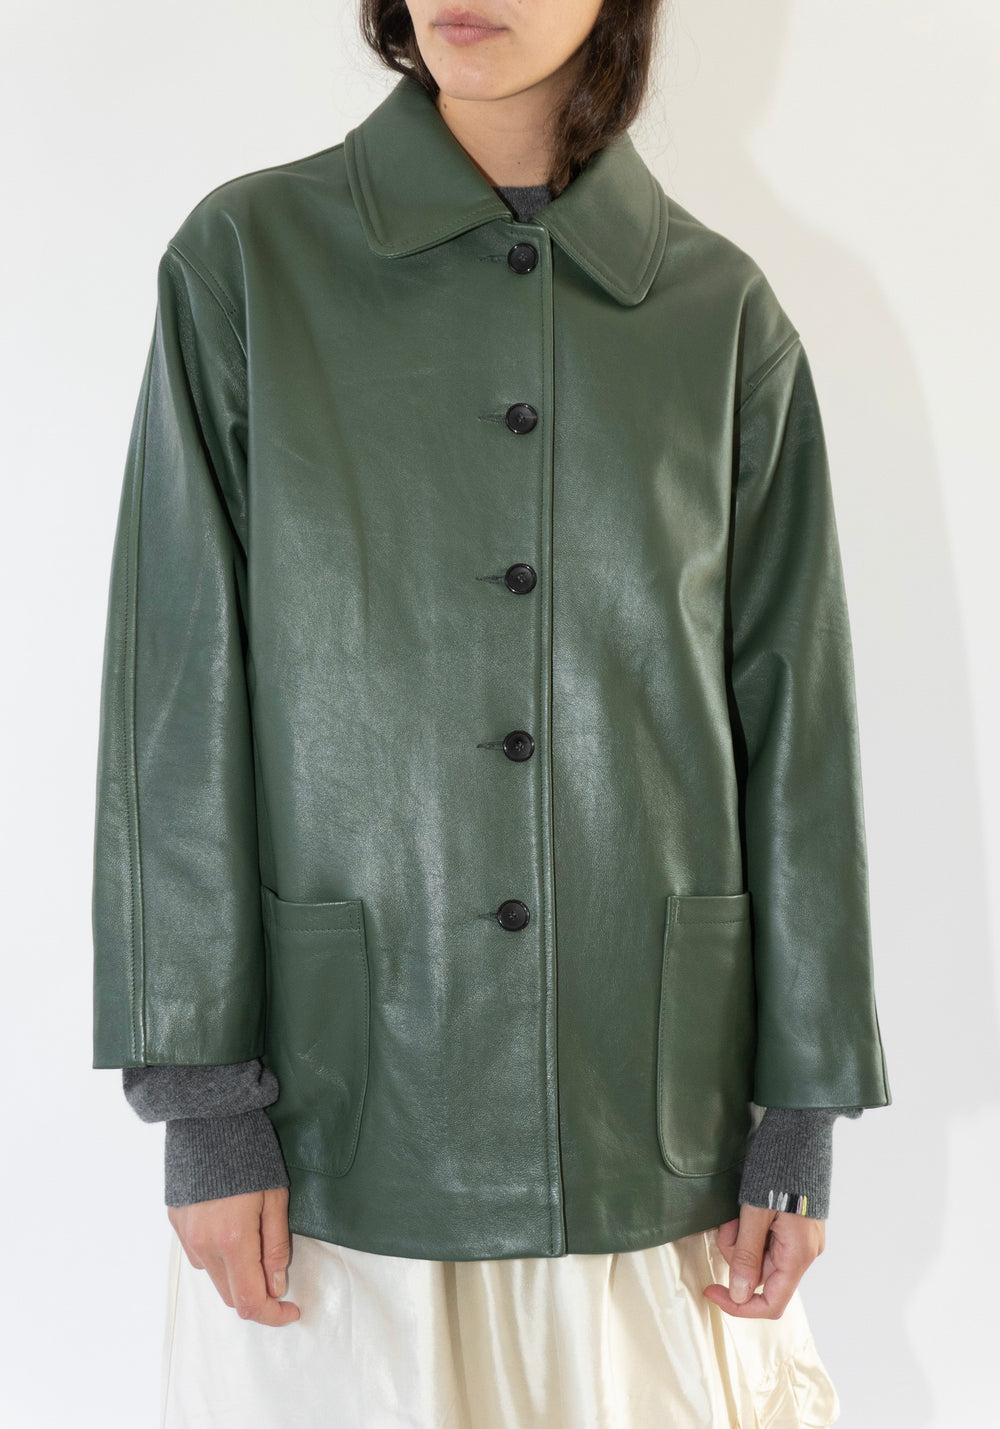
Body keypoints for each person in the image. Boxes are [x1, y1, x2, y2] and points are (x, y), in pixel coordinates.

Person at [91, 2, 891, 1424]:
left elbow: (797, 728)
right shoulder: (249, 265)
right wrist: (205, 1106)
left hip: (655, 1132)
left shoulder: (722, 315)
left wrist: (799, 1116)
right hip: (340, 1128)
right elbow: (175, 698)